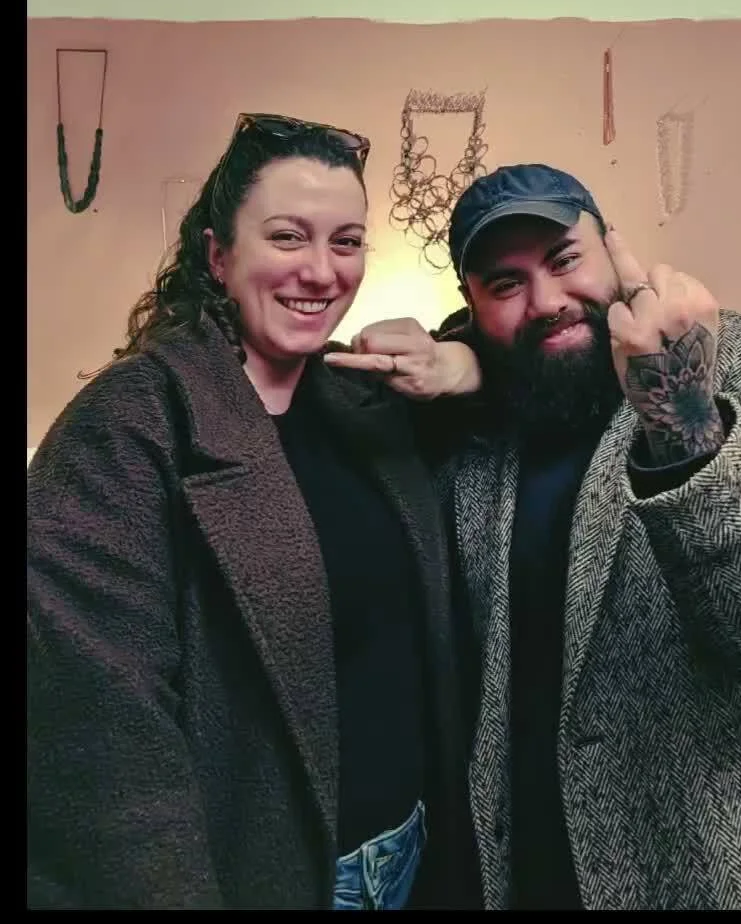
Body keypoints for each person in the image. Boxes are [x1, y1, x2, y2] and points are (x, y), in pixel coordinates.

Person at [339, 162, 741, 911]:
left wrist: (681, 413)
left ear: (614, 248)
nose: (547, 301)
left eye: (564, 259)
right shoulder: (485, 419)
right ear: (473, 305)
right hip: (540, 877)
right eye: (506, 284)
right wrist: (459, 357)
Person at [26, 112, 483, 911]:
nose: (321, 271)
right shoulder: (128, 426)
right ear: (218, 254)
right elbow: (101, 741)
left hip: (408, 856)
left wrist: (463, 359)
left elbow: (529, 380)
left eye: (346, 242)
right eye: (287, 236)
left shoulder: (359, 400)